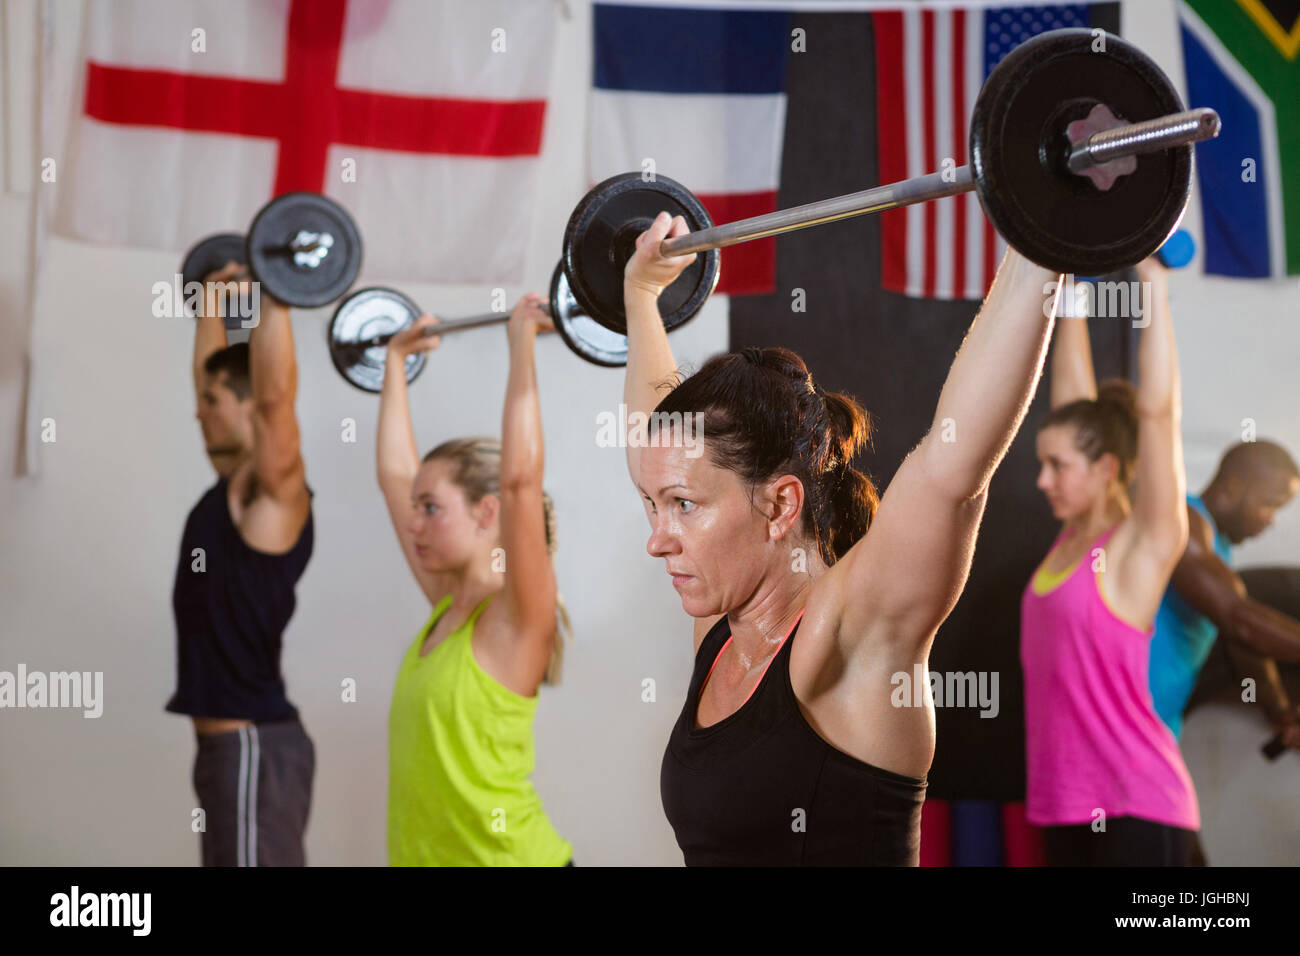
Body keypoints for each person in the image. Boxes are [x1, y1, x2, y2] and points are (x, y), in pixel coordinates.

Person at [622, 212, 1060, 865]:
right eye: (652, 507)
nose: (657, 540)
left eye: (682, 507)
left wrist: (1042, 240)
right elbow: (655, 446)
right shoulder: (721, 629)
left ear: (779, 505)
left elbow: (952, 469)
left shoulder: (849, 637)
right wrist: (640, 297)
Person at [377, 292, 574, 866]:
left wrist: (521, 347)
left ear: (488, 513)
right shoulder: (448, 605)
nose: (413, 523)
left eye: (430, 508)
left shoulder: (515, 619)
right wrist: (393, 366)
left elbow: (519, 483)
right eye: (416, 508)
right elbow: (393, 475)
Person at [1022, 255, 1196, 866]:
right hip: (1063, 806)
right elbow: (1072, 408)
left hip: (1135, 809)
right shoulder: (1068, 540)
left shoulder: (1141, 545)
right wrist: (1071, 285)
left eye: (1057, 468)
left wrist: (1152, 286)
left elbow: (1159, 414)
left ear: (1107, 470)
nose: (1043, 480)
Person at [167, 262, 316, 867]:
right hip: (232, 751)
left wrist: (276, 294)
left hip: (252, 747)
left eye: (212, 403)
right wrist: (211, 302)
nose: (198, 413)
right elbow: (216, 381)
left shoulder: (274, 496)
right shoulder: (230, 489)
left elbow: (276, 397)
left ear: (252, 412)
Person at [1149, 440, 1300, 742]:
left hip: (1158, 731)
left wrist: (1280, 712)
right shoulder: (1184, 523)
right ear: (1232, 488)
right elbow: (1240, 622)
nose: (1270, 520)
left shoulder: (1220, 553)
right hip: (1116, 727)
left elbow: (1242, 645)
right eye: (1269, 504)